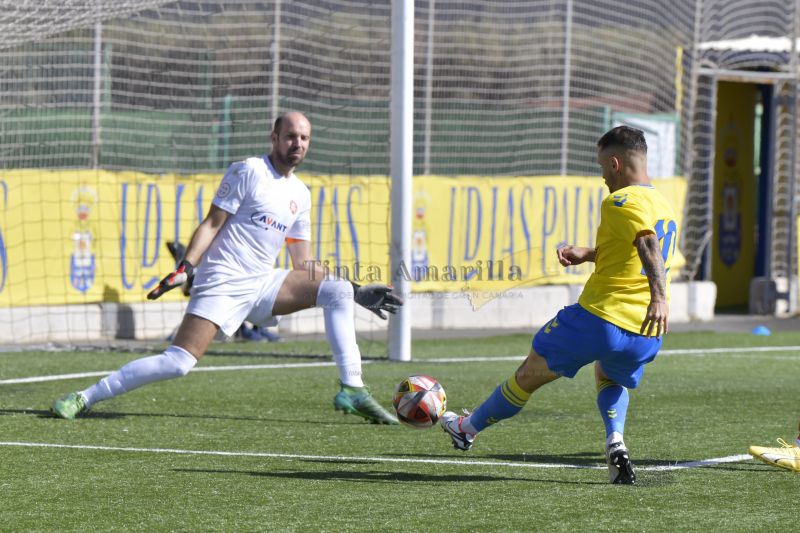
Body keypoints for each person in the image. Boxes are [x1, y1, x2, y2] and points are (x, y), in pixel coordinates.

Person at [52, 111, 402, 425]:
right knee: (178, 363)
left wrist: (356, 289)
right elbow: (211, 224)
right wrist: (187, 266)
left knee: (337, 290)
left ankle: (352, 388)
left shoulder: (301, 193)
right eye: (291, 136)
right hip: (222, 281)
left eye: (305, 137)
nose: (298, 143)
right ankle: (85, 397)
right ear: (275, 138)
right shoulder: (249, 171)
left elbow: (303, 264)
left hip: (263, 283)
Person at [440, 125, 677, 485]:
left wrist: (660, 297)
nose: (602, 177)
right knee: (608, 375)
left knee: (527, 375)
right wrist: (590, 254)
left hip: (599, 318)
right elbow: (636, 250)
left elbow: (647, 245)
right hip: (644, 333)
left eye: (602, 168)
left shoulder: (619, 200)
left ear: (615, 163)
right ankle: (616, 443)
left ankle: (466, 429)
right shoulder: (663, 204)